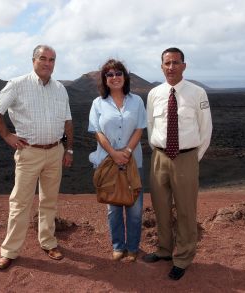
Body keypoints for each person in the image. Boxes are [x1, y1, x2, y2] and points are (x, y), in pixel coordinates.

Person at [0, 45, 73, 270]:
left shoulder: (60, 88)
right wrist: (6, 135)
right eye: (43, 58)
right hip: (29, 152)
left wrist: (69, 149)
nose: (47, 63)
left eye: (52, 59)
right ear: (33, 60)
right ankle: (10, 251)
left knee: (49, 201)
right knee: (20, 202)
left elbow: (67, 121)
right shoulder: (17, 85)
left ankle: (48, 242)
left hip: (55, 151)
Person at [144, 47, 212, 280]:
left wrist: (193, 157)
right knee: (160, 206)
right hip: (159, 156)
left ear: (184, 65)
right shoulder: (154, 94)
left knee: (185, 210)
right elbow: (151, 126)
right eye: (167, 63)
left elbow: (206, 129)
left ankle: (183, 257)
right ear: (161, 66)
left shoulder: (197, 93)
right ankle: (164, 250)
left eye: (175, 62)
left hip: (186, 157)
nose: (171, 67)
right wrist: (159, 150)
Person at [88, 59, 147, 262]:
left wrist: (128, 150)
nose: (115, 77)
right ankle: (118, 246)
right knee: (113, 209)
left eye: (118, 73)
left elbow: (140, 128)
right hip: (107, 162)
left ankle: (132, 248)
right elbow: (97, 132)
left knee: (135, 209)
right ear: (105, 80)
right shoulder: (98, 103)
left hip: (133, 162)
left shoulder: (137, 101)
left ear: (125, 76)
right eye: (110, 74)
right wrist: (113, 153)